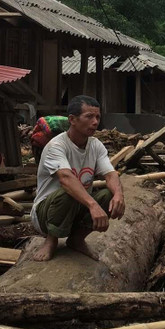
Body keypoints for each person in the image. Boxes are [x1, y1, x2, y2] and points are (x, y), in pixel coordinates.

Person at [31, 95, 125, 262]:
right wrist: (93, 205)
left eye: (97, 117)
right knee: (69, 191)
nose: (95, 122)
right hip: (45, 214)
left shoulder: (95, 145)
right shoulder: (56, 146)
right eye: (89, 116)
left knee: (108, 195)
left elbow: (110, 174)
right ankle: (51, 240)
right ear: (72, 120)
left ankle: (77, 239)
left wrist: (118, 195)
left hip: (75, 210)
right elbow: (66, 178)